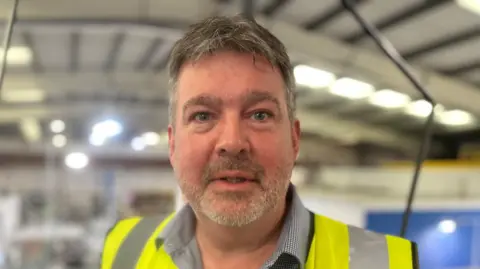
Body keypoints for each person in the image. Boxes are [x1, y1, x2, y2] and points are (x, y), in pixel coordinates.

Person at [101, 15, 419, 269]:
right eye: (202, 116)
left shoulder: (386, 262)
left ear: (294, 139)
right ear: (172, 145)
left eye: (260, 115)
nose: (232, 142)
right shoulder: (124, 249)